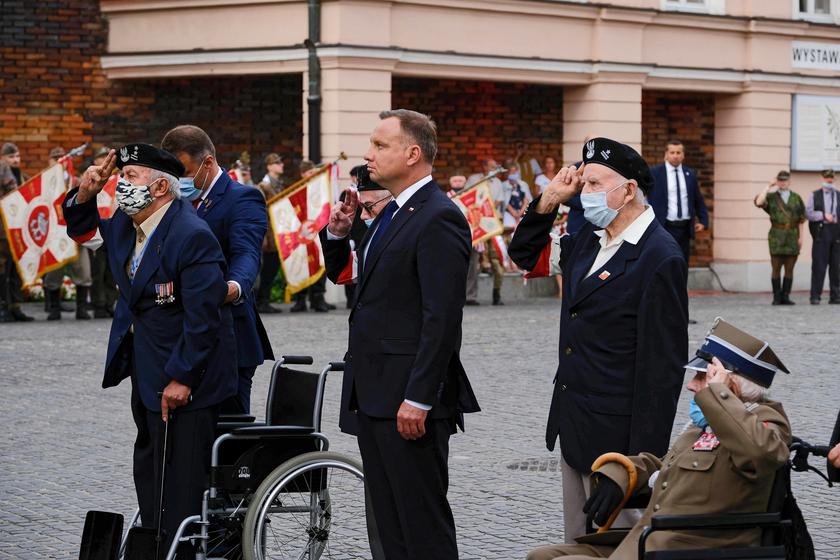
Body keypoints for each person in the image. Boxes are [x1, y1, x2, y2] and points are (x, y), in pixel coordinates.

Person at [509, 137, 688, 543]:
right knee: (578, 543)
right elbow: (523, 254)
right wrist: (549, 198)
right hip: (575, 426)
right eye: (582, 183)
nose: (583, 194)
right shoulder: (588, 240)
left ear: (627, 190)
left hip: (617, 440)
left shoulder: (659, 256)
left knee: (618, 547)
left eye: (593, 184)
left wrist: (635, 466)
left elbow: (662, 371)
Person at [320, 109, 480, 559]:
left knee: (420, 526)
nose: (368, 155)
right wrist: (338, 234)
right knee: (388, 527)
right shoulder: (392, 214)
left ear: (413, 154)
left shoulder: (437, 216)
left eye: (379, 145)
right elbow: (358, 281)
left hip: (409, 401)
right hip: (374, 393)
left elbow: (441, 318)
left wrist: (421, 396)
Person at [63, 145, 237, 557]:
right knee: (151, 470)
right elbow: (85, 234)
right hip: (146, 370)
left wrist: (182, 377)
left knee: (180, 481)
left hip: (188, 380)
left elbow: (203, 319)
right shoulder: (128, 225)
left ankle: (180, 549)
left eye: (132, 176)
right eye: (121, 176)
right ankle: (156, 542)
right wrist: (87, 190)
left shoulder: (190, 235)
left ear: (161, 186)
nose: (122, 184)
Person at [527, 319, 791, 559]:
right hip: (652, 542)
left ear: (729, 385)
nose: (691, 385)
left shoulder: (764, 421)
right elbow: (666, 466)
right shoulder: (704, 426)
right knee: (541, 556)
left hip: (692, 549)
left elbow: (762, 454)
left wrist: (719, 395)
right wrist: (620, 474)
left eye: (701, 376)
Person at [161, 125, 274, 414]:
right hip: (181, 337)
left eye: (184, 173)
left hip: (229, 337)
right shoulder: (171, 201)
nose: (179, 181)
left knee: (226, 438)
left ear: (207, 162)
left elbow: (246, 252)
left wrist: (233, 287)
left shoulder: (242, 198)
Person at [42, 146, 93, 320]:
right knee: (53, 272)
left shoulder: (76, 181)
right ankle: (54, 308)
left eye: (61, 158)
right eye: (54, 158)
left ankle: (81, 308)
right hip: (54, 235)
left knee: (83, 271)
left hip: (75, 233)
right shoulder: (44, 182)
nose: (59, 161)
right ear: (49, 161)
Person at [648, 139, 710, 263]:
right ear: (666, 154)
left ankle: (682, 283)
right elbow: (646, 198)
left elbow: (697, 198)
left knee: (683, 262)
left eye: (678, 153)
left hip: (684, 228)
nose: (675, 156)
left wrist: (703, 220)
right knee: (665, 261)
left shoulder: (690, 173)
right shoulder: (655, 173)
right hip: (664, 226)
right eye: (672, 152)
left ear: (683, 155)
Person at [754, 170, 806, 305]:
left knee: (790, 268)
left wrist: (801, 237)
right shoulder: (771, 197)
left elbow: (801, 219)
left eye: (785, 180)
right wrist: (768, 186)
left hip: (792, 236)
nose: (783, 183)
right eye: (780, 180)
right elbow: (759, 202)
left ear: (789, 182)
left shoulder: (796, 197)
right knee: (776, 268)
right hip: (777, 236)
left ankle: (786, 296)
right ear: (777, 182)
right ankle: (776, 297)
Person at [290, 161, 335, 312]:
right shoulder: (295, 190)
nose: (312, 175)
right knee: (301, 266)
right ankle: (300, 300)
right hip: (300, 234)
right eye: (309, 173)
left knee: (320, 263)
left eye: (313, 172)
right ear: (303, 174)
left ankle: (318, 299)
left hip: (316, 233)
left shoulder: (319, 190)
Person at [0, 148, 34, 322]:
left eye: (17, 156)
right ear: (3, 157)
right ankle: (3, 306)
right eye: (11, 156)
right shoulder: (2, 169)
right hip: (2, 230)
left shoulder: (23, 176)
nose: (15, 159)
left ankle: (15, 307)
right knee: (2, 269)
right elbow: (13, 192)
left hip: (18, 230)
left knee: (15, 270)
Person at [88, 146, 119, 318]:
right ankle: (98, 304)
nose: (104, 160)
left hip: (112, 229)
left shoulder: (118, 179)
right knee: (97, 270)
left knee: (111, 270)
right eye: (101, 157)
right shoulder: (91, 179)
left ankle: (109, 302)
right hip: (96, 229)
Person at [255, 153, 285, 314]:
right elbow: (261, 211)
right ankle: (262, 301)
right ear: (269, 166)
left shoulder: (278, 184)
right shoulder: (264, 186)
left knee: (273, 268)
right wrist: (264, 235)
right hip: (270, 233)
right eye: (277, 162)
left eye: (280, 162)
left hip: (279, 232)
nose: (281, 165)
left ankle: (264, 300)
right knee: (268, 268)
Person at [805, 169, 839, 305]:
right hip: (821, 231)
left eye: (831, 178)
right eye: (826, 178)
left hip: (836, 231)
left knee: (836, 266)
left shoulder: (838, 194)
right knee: (819, 265)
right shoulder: (814, 195)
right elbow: (808, 213)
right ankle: (815, 296)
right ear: (822, 178)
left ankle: (835, 295)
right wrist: (824, 215)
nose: (829, 180)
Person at [502, 159, 533, 229]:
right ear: (507, 173)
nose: (513, 173)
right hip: (508, 214)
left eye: (515, 171)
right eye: (511, 172)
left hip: (522, 213)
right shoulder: (503, 185)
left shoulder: (523, 184)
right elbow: (504, 201)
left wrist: (520, 213)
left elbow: (527, 199)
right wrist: (514, 213)